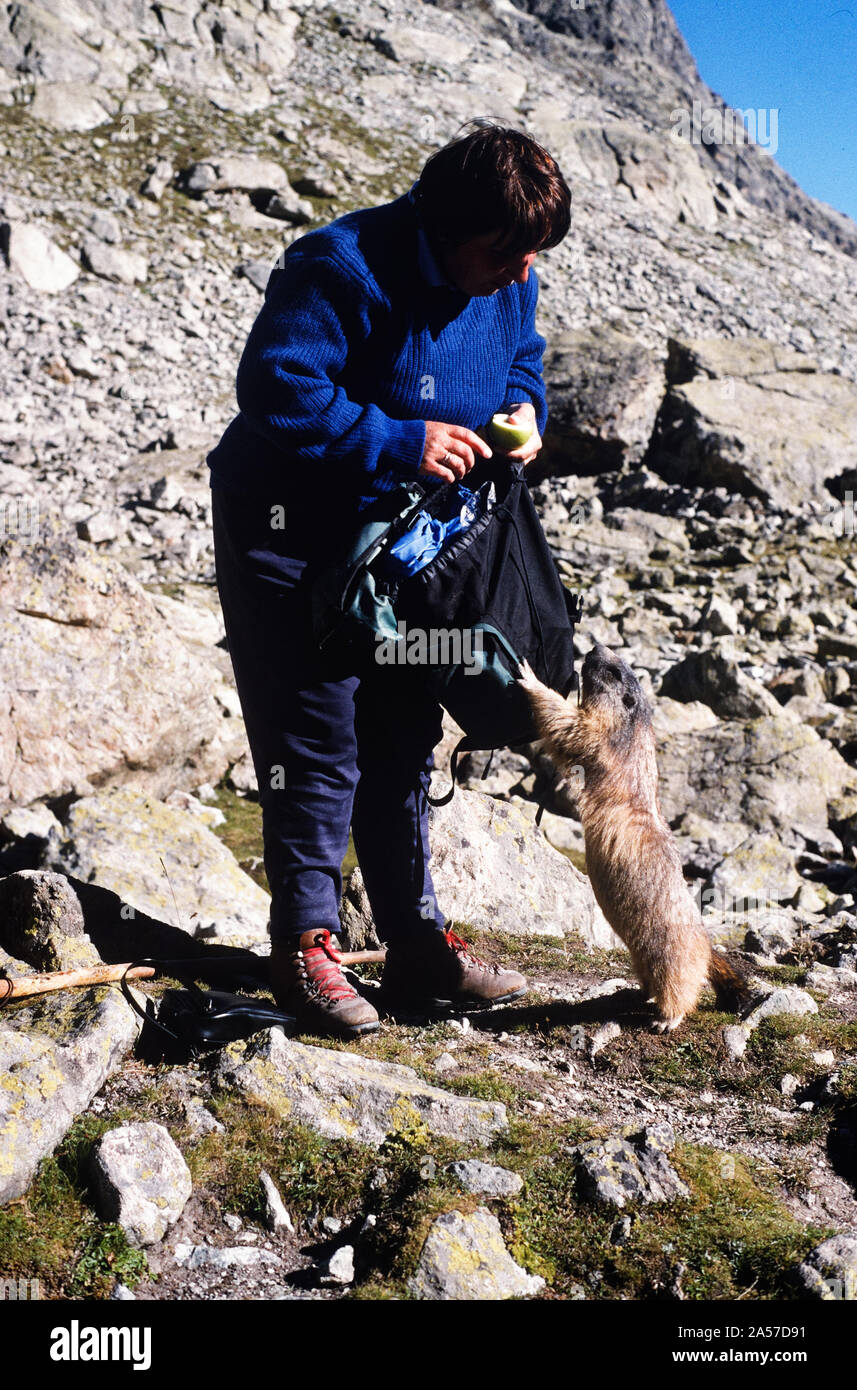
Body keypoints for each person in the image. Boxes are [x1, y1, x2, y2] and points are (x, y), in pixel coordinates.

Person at [207, 120, 572, 1038]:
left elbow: (520, 357)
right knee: (317, 735)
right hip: (292, 534)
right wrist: (400, 441)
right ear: (445, 230)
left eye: (531, 255)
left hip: (406, 544)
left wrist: (522, 410)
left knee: (403, 730)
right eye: (504, 253)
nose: (522, 273)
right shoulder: (340, 266)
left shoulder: (505, 279)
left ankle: (415, 946)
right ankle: (304, 948)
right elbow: (280, 387)